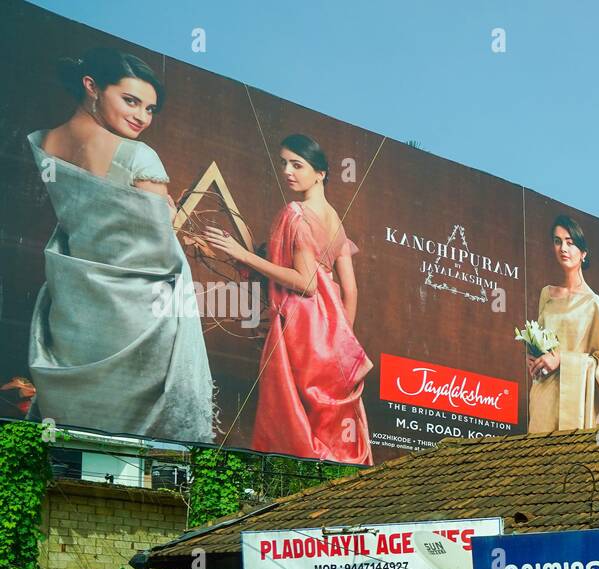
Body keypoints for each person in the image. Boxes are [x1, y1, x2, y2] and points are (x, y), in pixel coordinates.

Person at [27, 48, 214, 442]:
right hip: (138, 322)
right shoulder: (137, 156)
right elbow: (157, 256)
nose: (141, 117)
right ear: (91, 87)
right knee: (145, 449)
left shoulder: (46, 142)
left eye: (149, 109)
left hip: (75, 313)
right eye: (130, 101)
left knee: (79, 440)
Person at [205, 134, 372, 464]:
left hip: (301, 327)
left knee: (290, 418)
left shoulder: (295, 214)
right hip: (332, 330)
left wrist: (243, 255)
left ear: (320, 172)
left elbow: (306, 284)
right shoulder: (334, 218)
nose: (287, 171)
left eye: (297, 165)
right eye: (284, 163)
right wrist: (342, 342)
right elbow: (350, 290)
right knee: (327, 424)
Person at [526, 216, 599, 432]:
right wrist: (534, 359)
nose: (563, 248)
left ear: (583, 253)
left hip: (576, 406)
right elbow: (540, 343)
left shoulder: (593, 304)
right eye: (557, 241)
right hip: (544, 396)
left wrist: (562, 359)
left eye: (570, 243)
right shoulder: (547, 295)